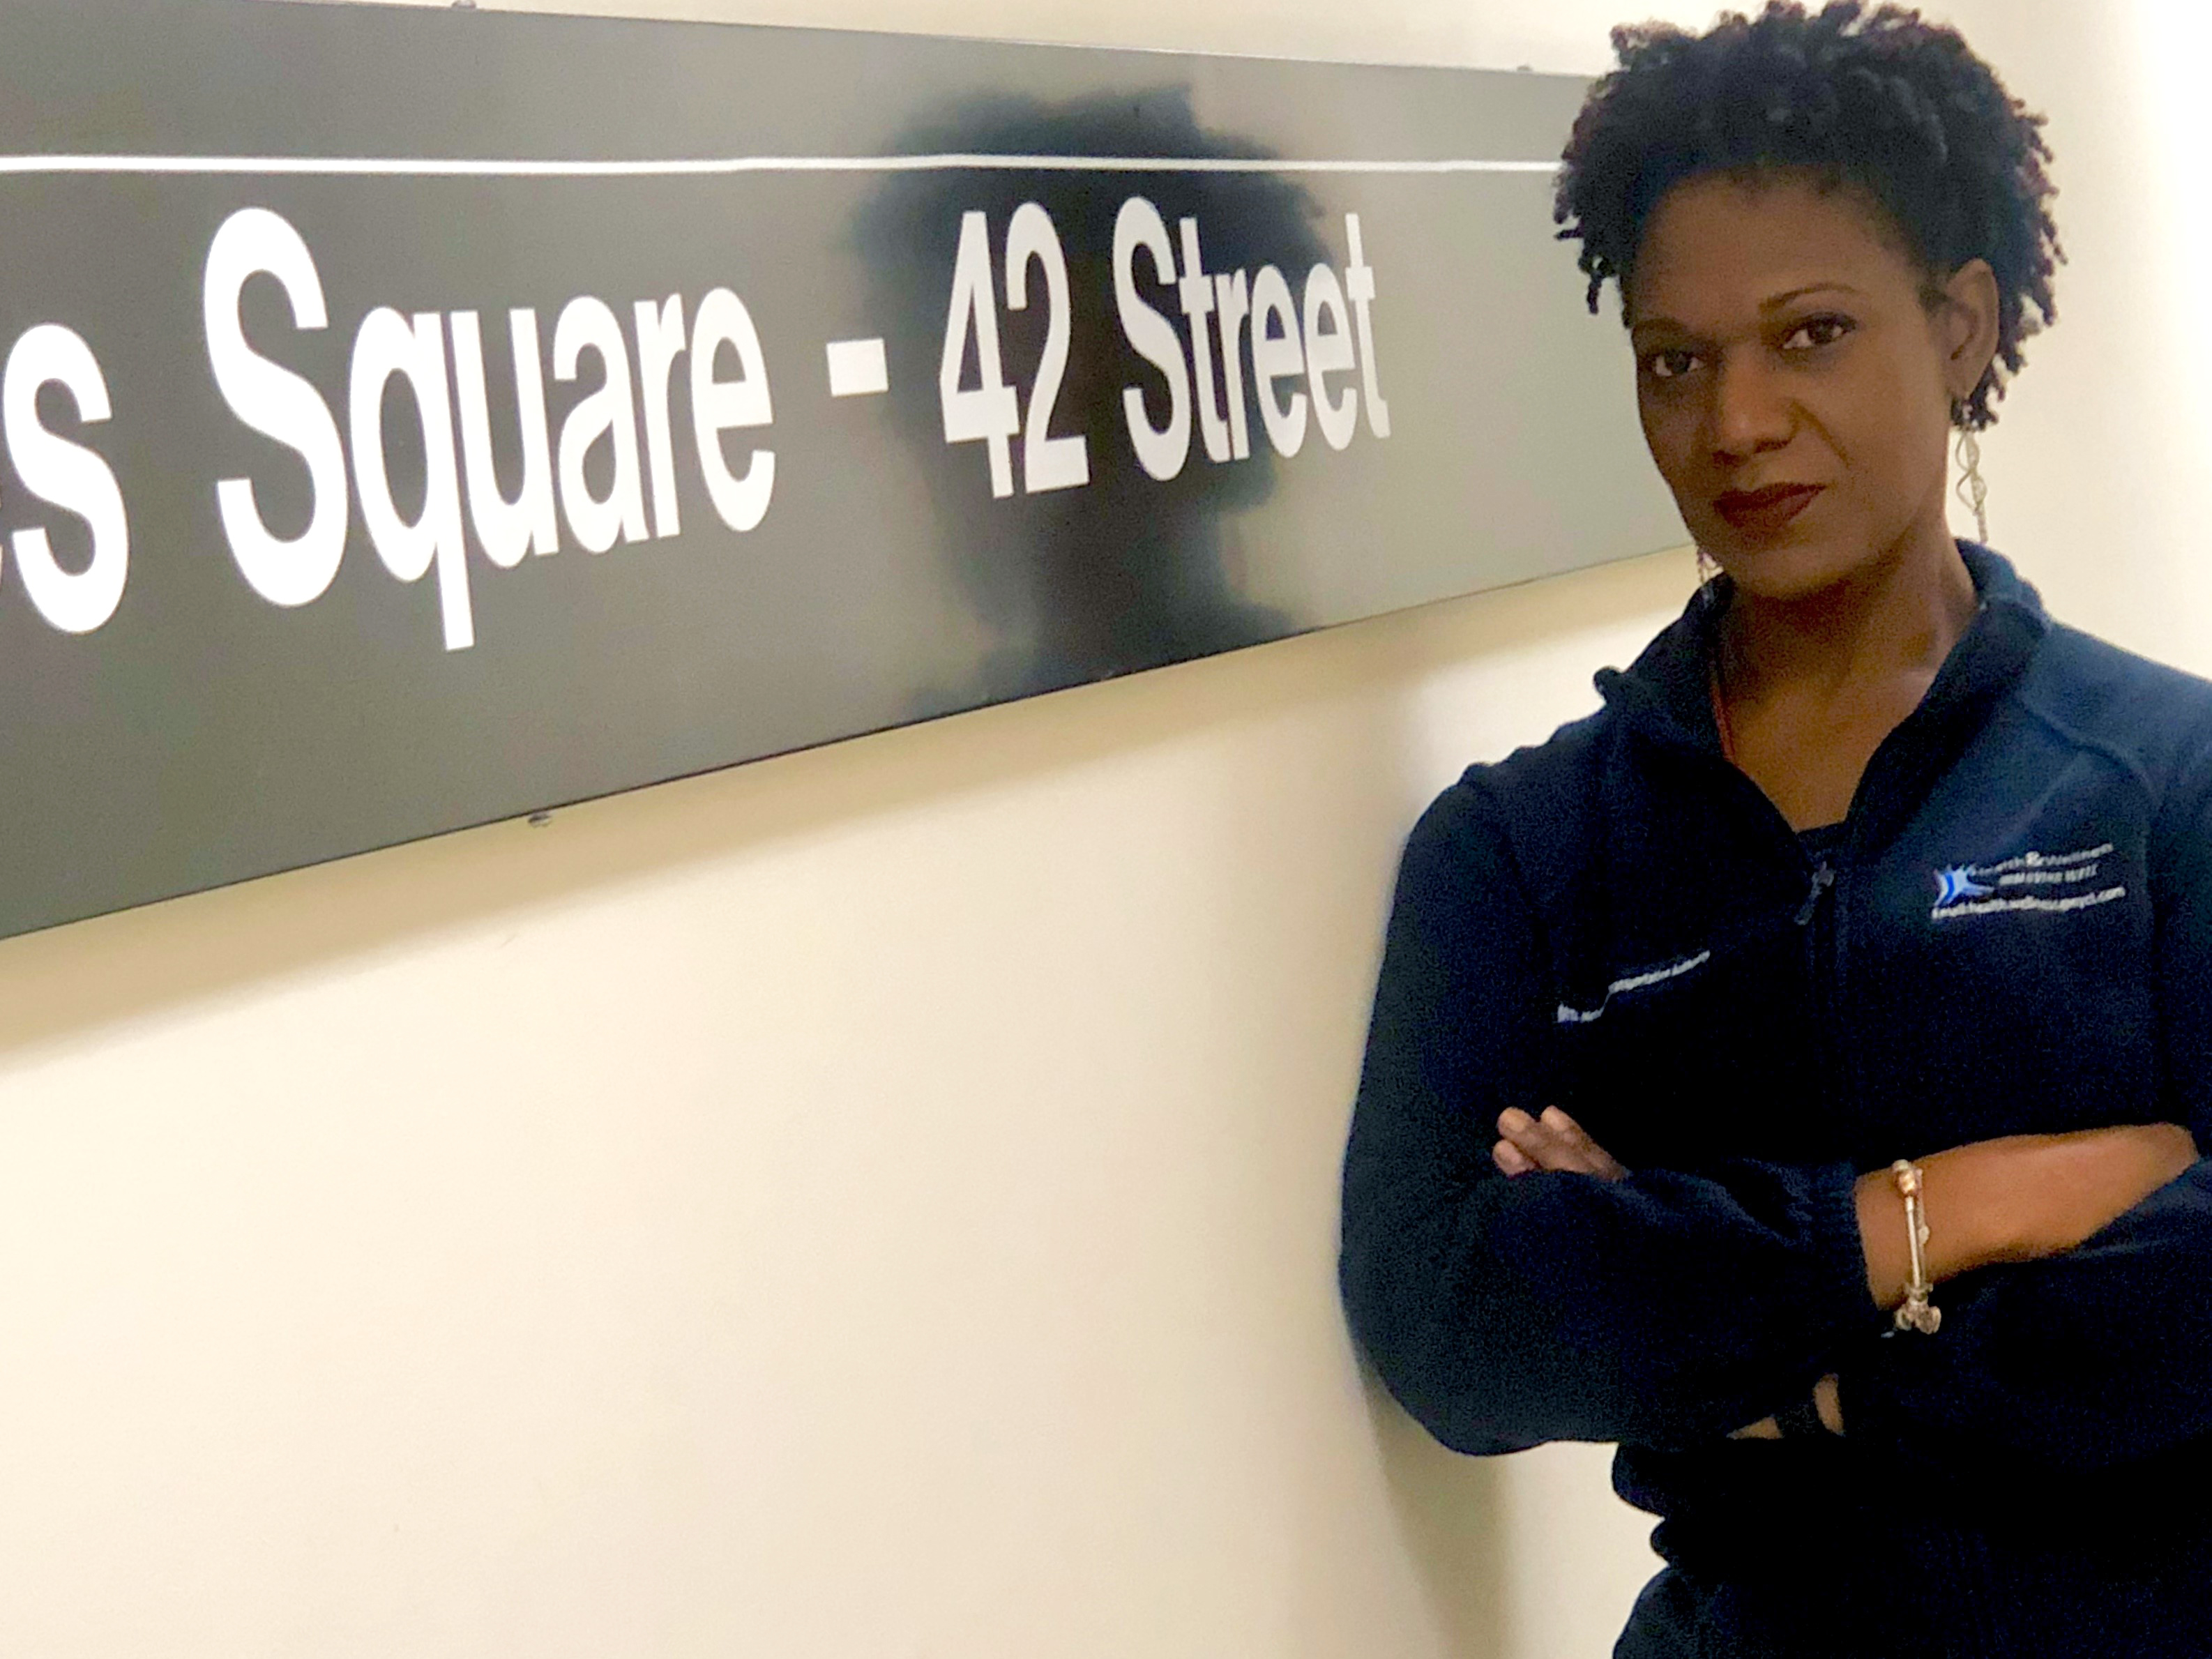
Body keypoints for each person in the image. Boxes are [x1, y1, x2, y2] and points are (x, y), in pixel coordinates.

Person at [1336, 4, 2212, 1655]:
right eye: (1675, 358)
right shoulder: (1525, 849)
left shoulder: (2164, 777)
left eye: (1807, 335)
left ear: (1959, 326)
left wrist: (1763, 1380)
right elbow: (1453, 1327)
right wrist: (1944, 1208)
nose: (1732, 421)